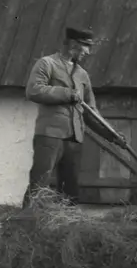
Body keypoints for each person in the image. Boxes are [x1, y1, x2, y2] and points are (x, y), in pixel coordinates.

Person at [23, 26, 98, 206]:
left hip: (74, 138)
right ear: (72, 44)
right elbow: (33, 90)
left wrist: (112, 136)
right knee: (40, 180)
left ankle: (68, 219)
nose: (88, 52)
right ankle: (28, 216)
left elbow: (91, 111)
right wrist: (67, 93)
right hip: (50, 134)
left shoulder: (82, 75)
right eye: (85, 46)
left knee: (70, 186)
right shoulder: (46, 64)